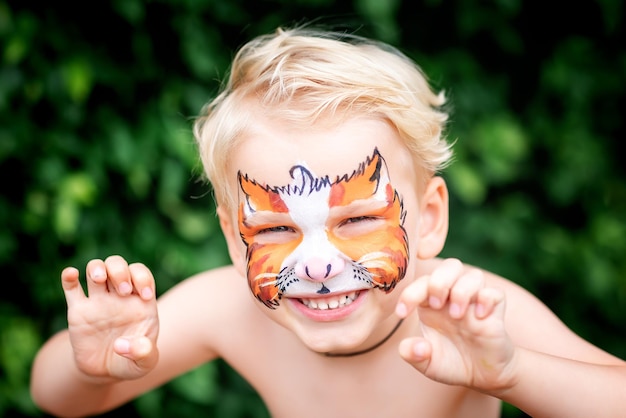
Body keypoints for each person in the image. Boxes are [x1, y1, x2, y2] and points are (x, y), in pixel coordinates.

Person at [30, 24, 626, 418]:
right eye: (275, 229)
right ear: (234, 241)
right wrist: (95, 365)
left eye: (359, 219)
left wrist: (512, 372)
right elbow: (53, 396)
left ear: (428, 218)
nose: (316, 265)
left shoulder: (467, 313)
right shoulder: (228, 309)